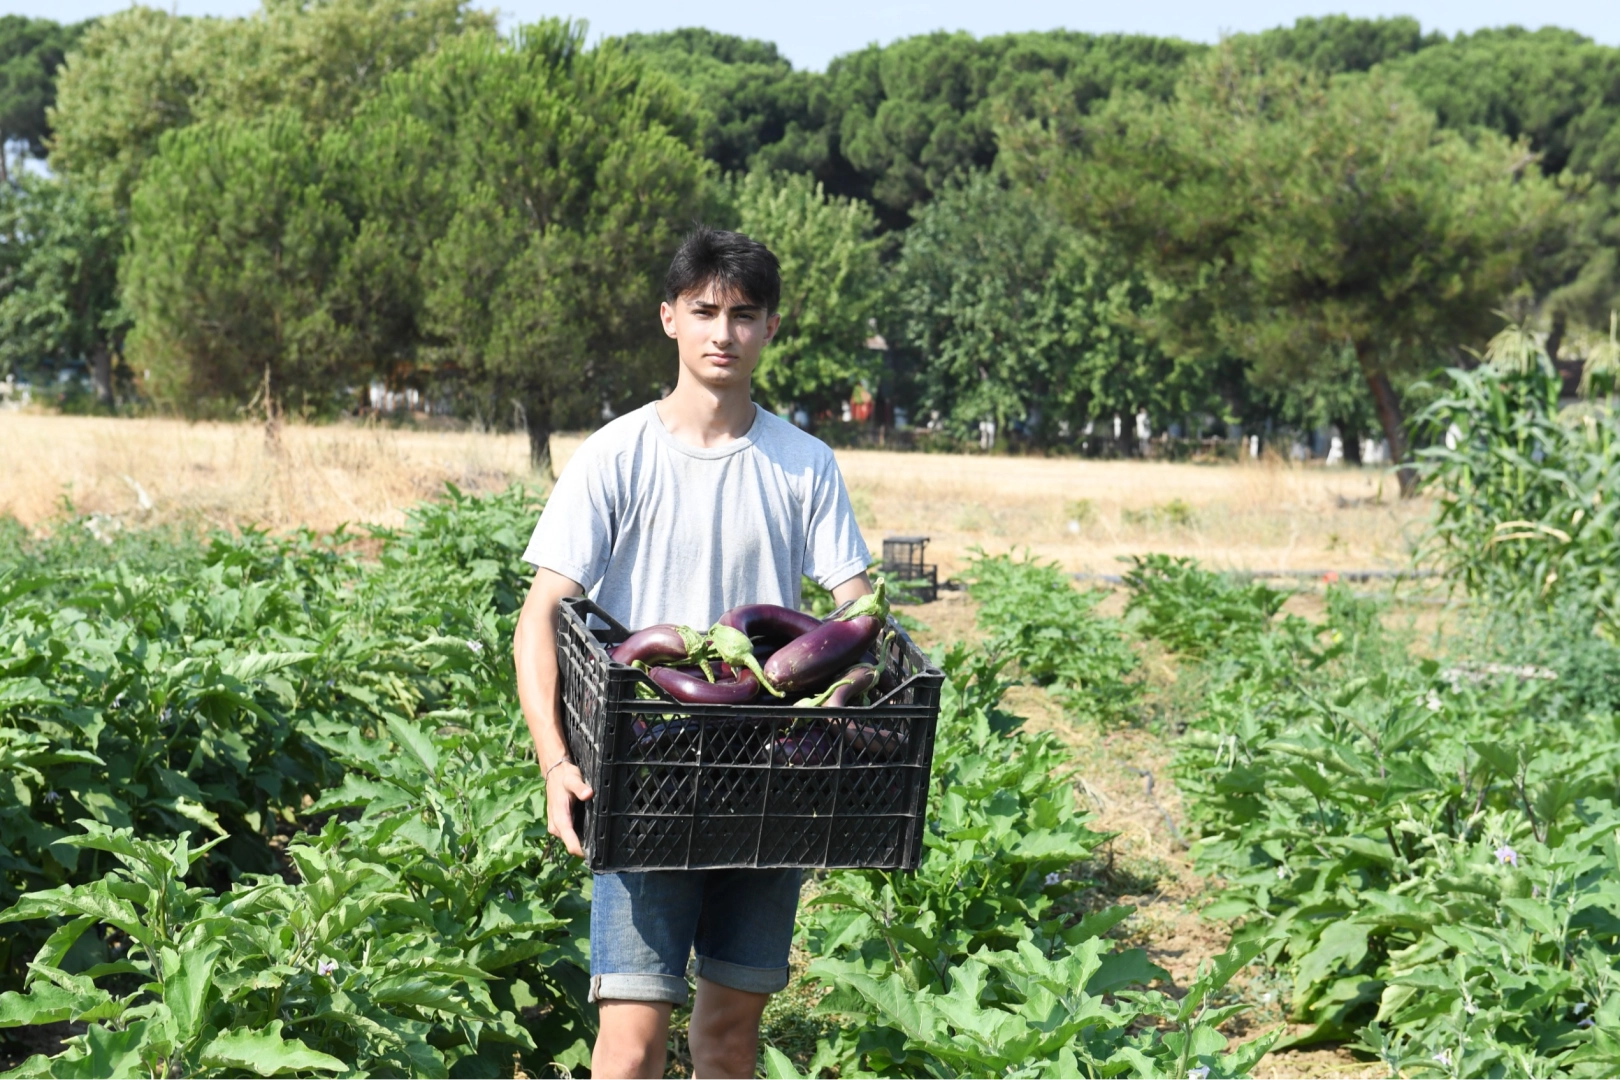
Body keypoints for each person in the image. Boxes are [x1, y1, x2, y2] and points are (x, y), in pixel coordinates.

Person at [512, 226, 873, 1080]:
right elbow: (538, 620)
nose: (723, 333)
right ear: (669, 317)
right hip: (647, 773)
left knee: (729, 1040)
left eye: (743, 315)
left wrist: (858, 695)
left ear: (771, 327)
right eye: (704, 311)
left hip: (770, 776)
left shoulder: (804, 464)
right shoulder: (616, 455)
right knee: (630, 1044)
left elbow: (857, 612)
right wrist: (555, 762)